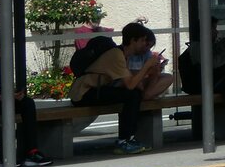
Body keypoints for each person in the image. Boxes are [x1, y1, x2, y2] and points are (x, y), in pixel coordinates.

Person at [69, 21, 165, 154]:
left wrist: (150, 72)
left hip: (93, 90)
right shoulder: (116, 55)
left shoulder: (122, 55)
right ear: (133, 40)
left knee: (132, 95)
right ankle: (124, 141)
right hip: (84, 93)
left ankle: (128, 139)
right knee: (132, 95)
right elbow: (131, 85)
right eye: (143, 41)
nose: (145, 45)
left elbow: (131, 83)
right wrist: (147, 66)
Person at [0, 29, 54, 167]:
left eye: (2, 51)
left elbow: (2, 86)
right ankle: (5, 156)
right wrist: (1, 97)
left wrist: (13, 95)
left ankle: (32, 152)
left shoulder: (0, 58)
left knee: (26, 103)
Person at [125, 24, 174, 100]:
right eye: (144, 43)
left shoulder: (147, 53)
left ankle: (148, 95)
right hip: (134, 83)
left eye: (150, 47)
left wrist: (156, 69)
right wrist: (148, 69)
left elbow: (150, 73)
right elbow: (131, 77)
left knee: (168, 77)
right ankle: (148, 95)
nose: (147, 49)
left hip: (143, 81)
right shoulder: (129, 53)